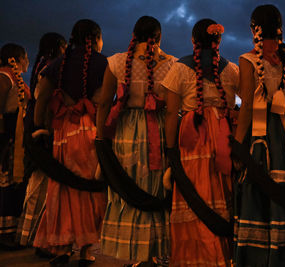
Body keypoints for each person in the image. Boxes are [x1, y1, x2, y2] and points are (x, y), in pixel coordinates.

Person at [96, 16, 175, 266]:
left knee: (126, 187)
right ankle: (154, 252)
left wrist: (100, 138)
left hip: (126, 132)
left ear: (134, 35)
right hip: (158, 130)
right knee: (156, 188)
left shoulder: (116, 62)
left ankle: (136, 253)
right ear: (159, 37)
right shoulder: (171, 63)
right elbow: (174, 107)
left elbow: (105, 102)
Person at [232, 4, 285, 266]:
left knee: (257, 187)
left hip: (259, 134)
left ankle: (256, 255)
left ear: (254, 29)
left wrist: (238, 146)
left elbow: (248, 107)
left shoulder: (247, 59)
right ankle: (284, 250)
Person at [162, 18, 239, 266]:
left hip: (190, 136)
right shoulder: (232, 70)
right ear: (219, 41)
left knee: (193, 194)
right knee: (221, 194)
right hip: (222, 135)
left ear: (193, 41)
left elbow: (172, 113)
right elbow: (245, 103)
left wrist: (170, 150)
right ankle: (221, 256)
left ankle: (195, 258)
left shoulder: (180, 68)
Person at [32, 19, 107, 266]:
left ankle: (62, 248)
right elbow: (105, 101)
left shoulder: (57, 65)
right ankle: (85, 251)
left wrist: (40, 127)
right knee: (87, 190)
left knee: (62, 188)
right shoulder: (102, 63)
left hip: (63, 133)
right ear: (95, 38)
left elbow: (42, 98)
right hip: (89, 131)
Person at [16, 32, 67, 248]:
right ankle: (33, 236)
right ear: (57, 48)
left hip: (34, 131)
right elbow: (44, 102)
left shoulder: (41, 67)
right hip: (43, 132)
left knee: (37, 185)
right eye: (64, 48)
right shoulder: (51, 69)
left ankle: (26, 234)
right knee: (42, 187)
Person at [0, 43, 30, 239]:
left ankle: (10, 232)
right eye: (26, 57)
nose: (28, 61)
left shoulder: (11, 78)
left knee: (12, 185)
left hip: (13, 138)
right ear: (18, 59)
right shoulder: (4, 77)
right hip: (6, 139)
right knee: (6, 184)